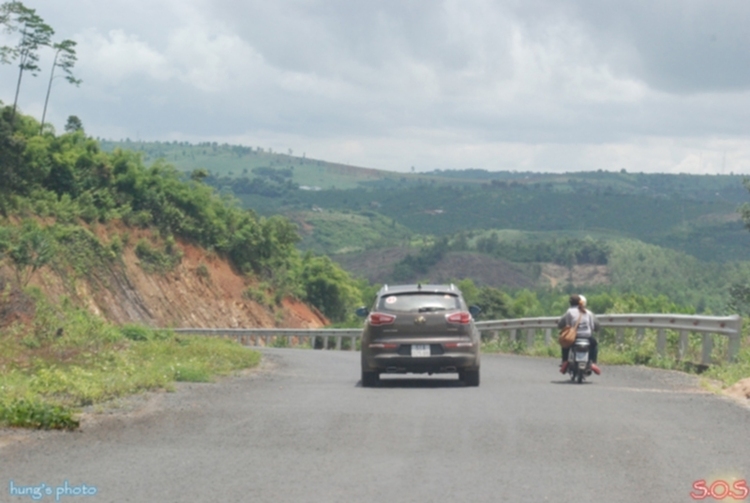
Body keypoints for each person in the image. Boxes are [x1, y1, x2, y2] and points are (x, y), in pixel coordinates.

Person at [558, 294, 601, 375]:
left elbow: (568, 326)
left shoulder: (569, 311)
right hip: (587, 336)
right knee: (594, 345)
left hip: (575, 337)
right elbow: (592, 326)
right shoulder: (588, 312)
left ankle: (565, 361)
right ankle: (593, 362)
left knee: (565, 345)